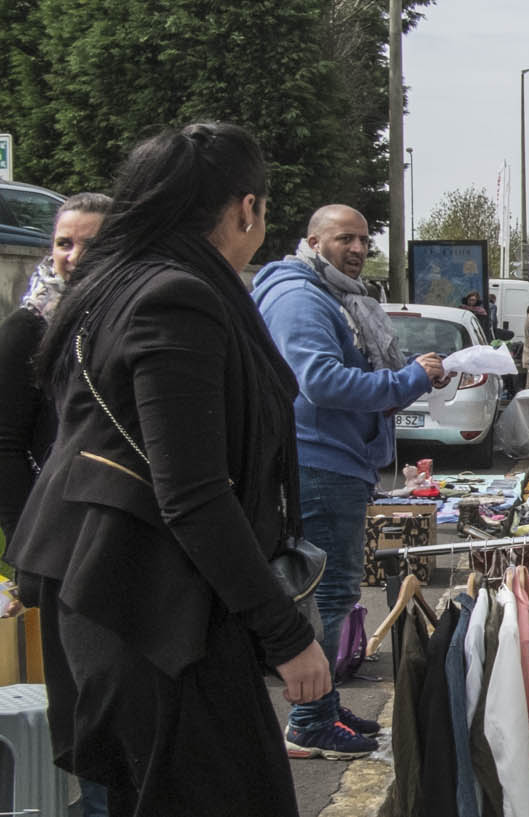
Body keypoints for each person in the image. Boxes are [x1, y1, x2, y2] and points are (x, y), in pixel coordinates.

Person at [11, 122, 333, 815]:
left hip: (135, 604)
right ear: (246, 208)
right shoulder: (174, 295)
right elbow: (190, 492)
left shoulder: (122, 284)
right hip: (152, 615)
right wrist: (287, 633)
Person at [252, 204, 445, 758]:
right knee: (327, 594)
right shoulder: (299, 298)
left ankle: (325, 706)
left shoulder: (333, 296)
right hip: (318, 462)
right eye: (344, 239)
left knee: (335, 590)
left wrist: (414, 373)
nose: (357, 249)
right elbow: (320, 381)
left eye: (363, 240)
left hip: (337, 460)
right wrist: (408, 378)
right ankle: (310, 721)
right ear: (313, 241)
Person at [0, 192, 110, 541]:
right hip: (48, 521)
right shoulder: (26, 328)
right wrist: (22, 538)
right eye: (64, 243)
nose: (74, 256)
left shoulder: (127, 320)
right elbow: (5, 445)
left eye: (90, 245)